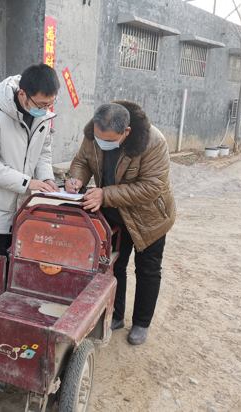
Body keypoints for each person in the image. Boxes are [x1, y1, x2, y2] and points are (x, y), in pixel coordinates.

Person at [66, 101, 176, 345]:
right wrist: (76, 179)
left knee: (147, 270)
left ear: (126, 132)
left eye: (108, 139)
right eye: (98, 137)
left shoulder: (153, 142)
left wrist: (105, 194)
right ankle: (115, 315)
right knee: (114, 266)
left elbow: (151, 187)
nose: (101, 143)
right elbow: (82, 161)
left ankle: (141, 323)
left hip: (148, 218)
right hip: (113, 215)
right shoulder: (93, 134)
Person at [0, 64, 61, 260]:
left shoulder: (43, 117)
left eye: (50, 104)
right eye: (41, 104)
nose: (45, 109)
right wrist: (27, 183)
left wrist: (46, 177)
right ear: (22, 94)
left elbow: (43, 152)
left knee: (17, 262)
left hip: (22, 205)